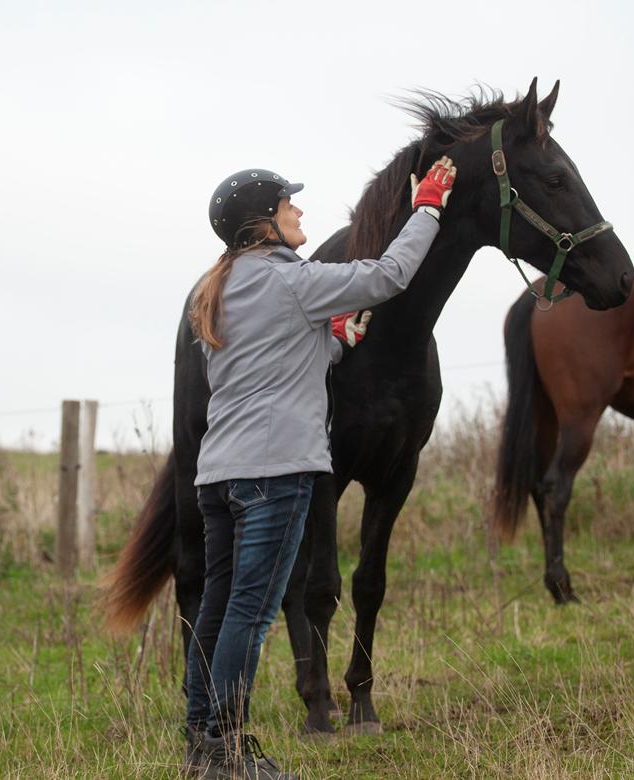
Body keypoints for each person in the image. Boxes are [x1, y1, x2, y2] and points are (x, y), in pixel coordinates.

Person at [183, 157, 457, 778]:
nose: (299, 212)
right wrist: (428, 207)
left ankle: (200, 739)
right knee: (251, 617)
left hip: (218, 477)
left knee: (220, 608)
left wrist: (333, 340)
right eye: (288, 205)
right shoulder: (291, 282)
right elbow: (389, 276)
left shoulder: (216, 290)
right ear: (262, 225)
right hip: (275, 474)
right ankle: (225, 751)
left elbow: (262, 366)